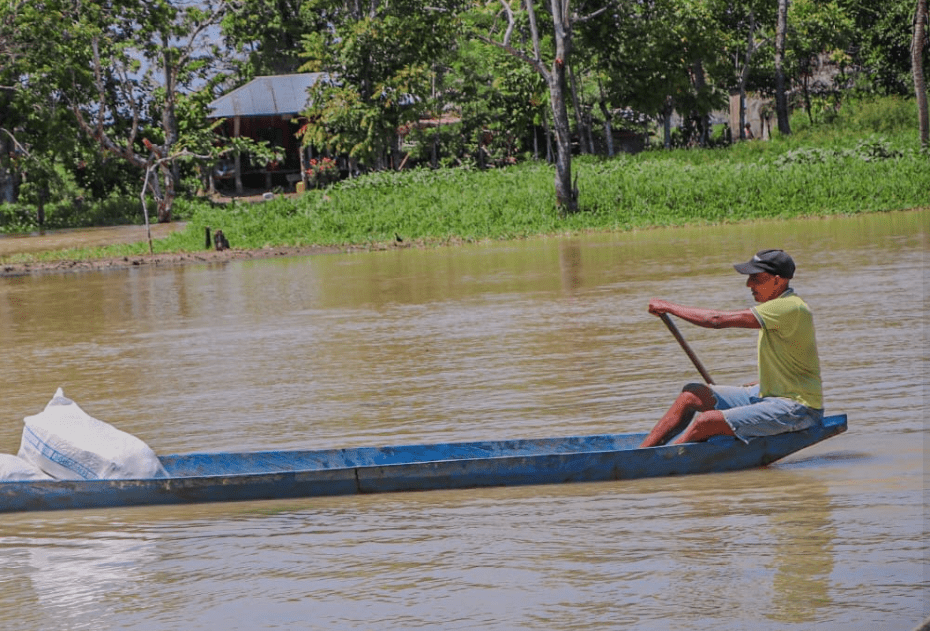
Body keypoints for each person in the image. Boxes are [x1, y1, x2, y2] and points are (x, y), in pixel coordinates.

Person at [639, 249, 823, 448]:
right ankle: (639, 454)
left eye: (756, 278)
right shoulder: (777, 307)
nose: (749, 284)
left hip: (798, 409)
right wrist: (768, 381)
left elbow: (716, 320)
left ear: (778, 281)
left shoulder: (789, 307)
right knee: (691, 395)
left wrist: (668, 307)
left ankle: (664, 460)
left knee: (707, 422)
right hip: (770, 395)